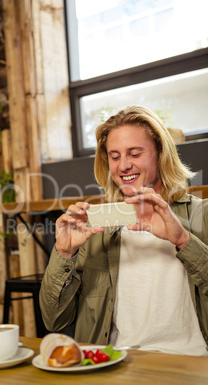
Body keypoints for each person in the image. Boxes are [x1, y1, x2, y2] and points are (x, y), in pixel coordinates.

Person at [39, 105, 208, 356]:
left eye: (135, 153)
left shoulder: (202, 215)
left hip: (190, 364)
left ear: (160, 153)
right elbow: (55, 322)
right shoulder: (97, 228)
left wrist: (183, 240)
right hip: (115, 364)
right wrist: (64, 252)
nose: (123, 166)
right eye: (115, 156)